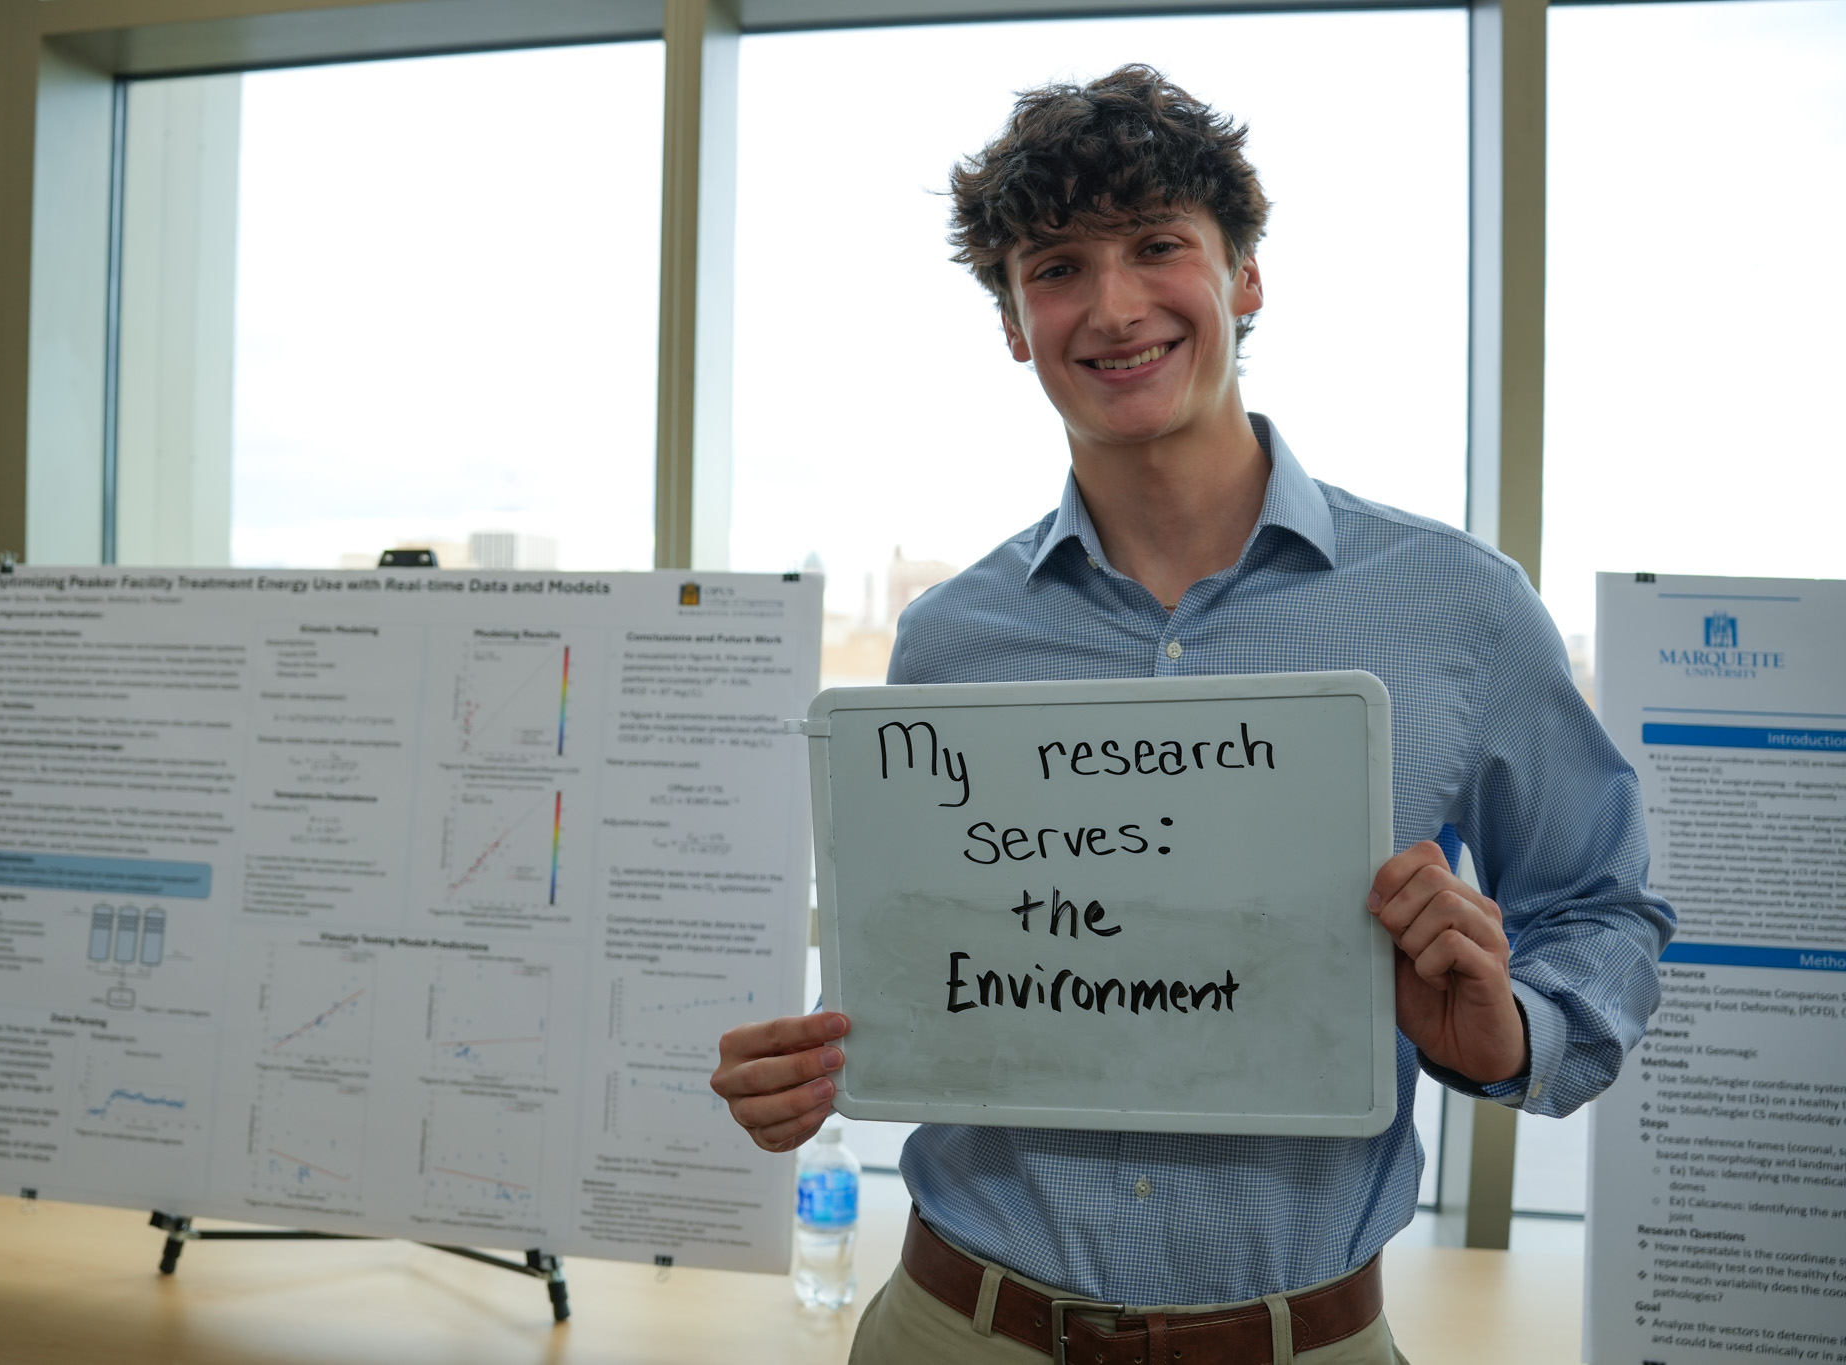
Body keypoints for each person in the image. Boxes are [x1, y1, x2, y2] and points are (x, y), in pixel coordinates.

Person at [711, 65, 1672, 1364]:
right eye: (1057, 268)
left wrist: (1515, 1031)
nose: (1113, 307)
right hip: (958, 1327)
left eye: (1157, 246)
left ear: (1245, 275)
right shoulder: (949, 642)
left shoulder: (1462, 609)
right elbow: (937, 969)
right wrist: (811, 1068)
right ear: (1015, 324)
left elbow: (1602, 906)